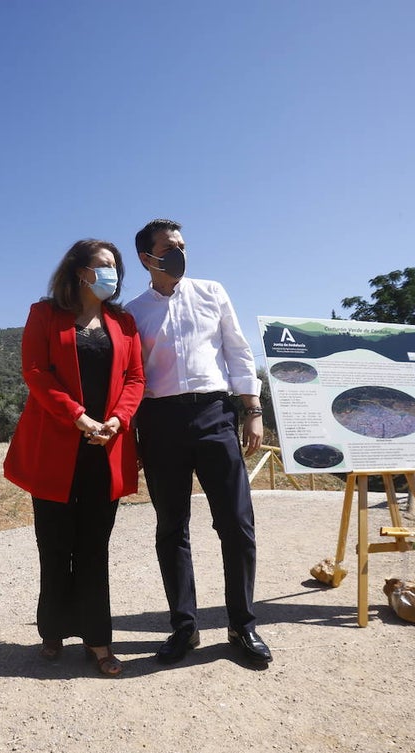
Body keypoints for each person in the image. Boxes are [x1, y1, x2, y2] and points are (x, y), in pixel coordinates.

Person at [124, 218, 272, 666]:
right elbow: (131, 377)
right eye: (170, 247)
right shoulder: (133, 312)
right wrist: (132, 434)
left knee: (237, 524)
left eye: (183, 245)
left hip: (214, 413)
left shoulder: (213, 292)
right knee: (172, 528)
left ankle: (242, 625)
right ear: (147, 258)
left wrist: (253, 410)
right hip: (160, 420)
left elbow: (238, 351)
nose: (180, 253)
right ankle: (184, 628)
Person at [4, 239, 145, 677]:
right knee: (54, 545)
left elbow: (136, 378)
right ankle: (52, 631)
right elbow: (35, 372)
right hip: (57, 449)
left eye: (116, 267)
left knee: (94, 548)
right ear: (79, 271)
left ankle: (97, 639)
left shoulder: (124, 322)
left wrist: (117, 422)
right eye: (103, 265)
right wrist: (79, 418)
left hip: (107, 450)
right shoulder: (44, 314)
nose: (112, 274)